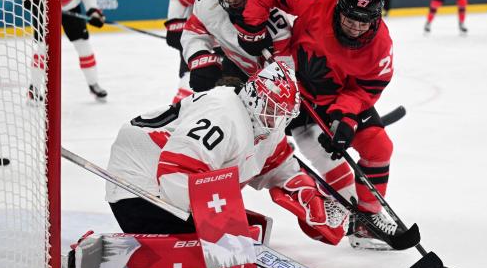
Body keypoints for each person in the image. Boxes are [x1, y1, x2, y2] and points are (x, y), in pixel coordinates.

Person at [233, 0, 401, 249]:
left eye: (364, 22)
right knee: (249, 145)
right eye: (350, 19)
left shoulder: (381, 47)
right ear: (339, 7)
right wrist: (252, 28)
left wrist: (344, 117)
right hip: (287, 86)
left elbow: (365, 90)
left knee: (379, 147)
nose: (355, 29)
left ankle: (366, 222)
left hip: (334, 98)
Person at [105, 62, 347, 245]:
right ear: (255, 97)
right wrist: (221, 228)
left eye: (284, 113)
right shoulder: (224, 114)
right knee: (225, 246)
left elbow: (277, 165)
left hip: (167, 181)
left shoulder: (265, 122)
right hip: (139, 186)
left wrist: (304, 192)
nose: (279, 119)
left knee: (244, 235)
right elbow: (176, 172)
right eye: (274, 109)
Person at [181, 0, 293, 91]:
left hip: (274, 83)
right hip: (236, 64)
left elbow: (285, 83)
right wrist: (200, 59)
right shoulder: (207, 0)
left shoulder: (277, 21)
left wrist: (245, 92)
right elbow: (194, 32)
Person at [164, 0, 217, 103]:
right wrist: (175, 26)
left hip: (229, 46)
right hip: (197, 38)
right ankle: (178, 118)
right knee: (189, 82)